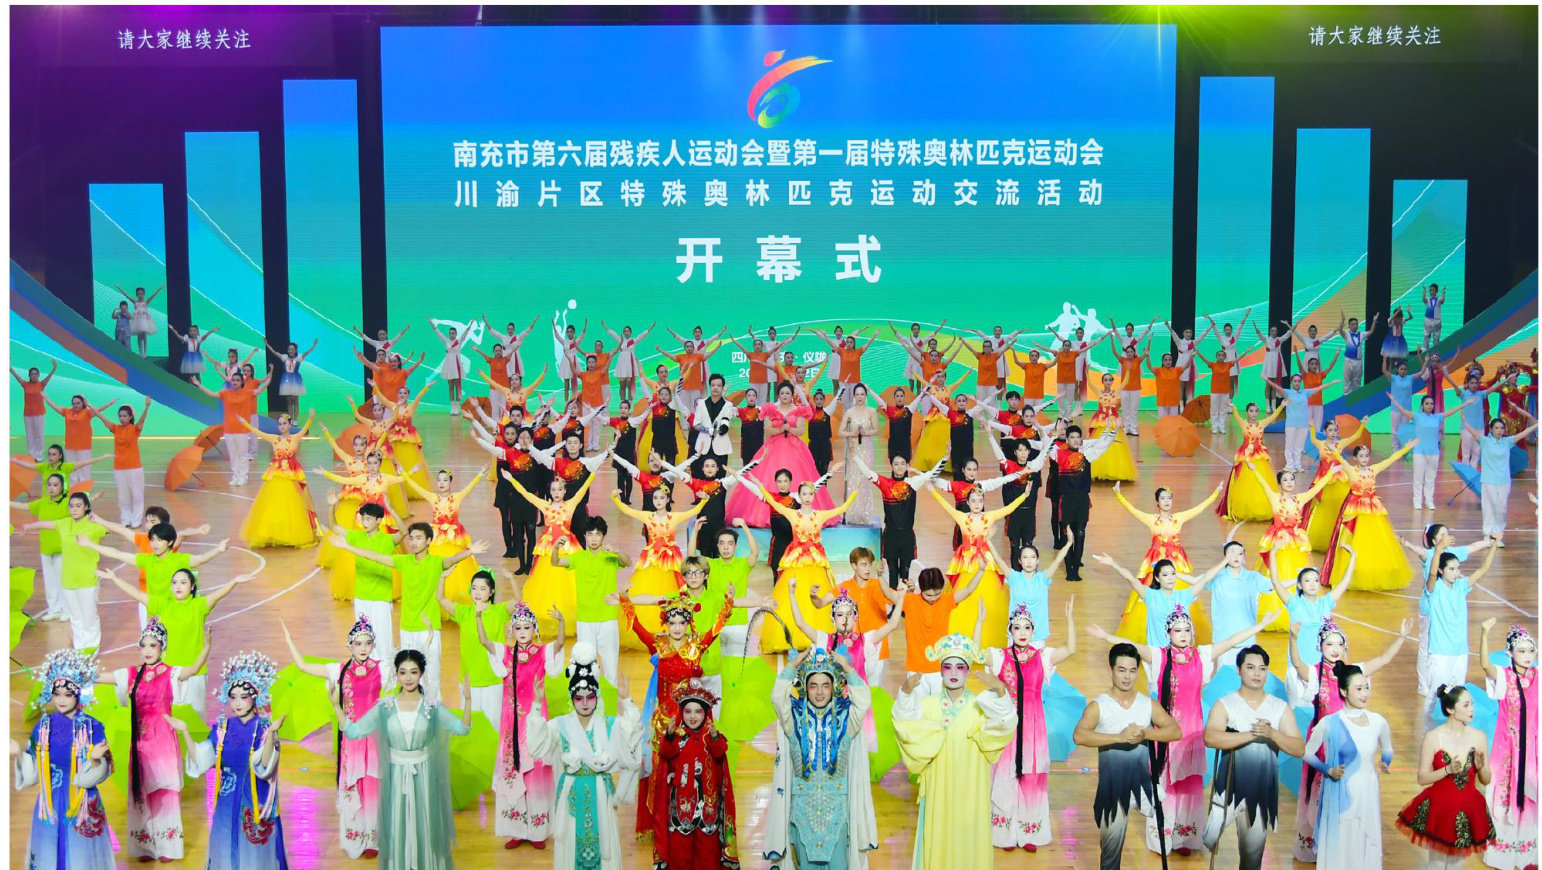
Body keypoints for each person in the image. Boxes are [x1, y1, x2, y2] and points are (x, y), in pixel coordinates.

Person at [1089, 604, 1280, 856]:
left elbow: (1232, 641)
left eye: (1186, 630)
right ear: (1168, 633)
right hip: (1167, 731)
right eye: (1177, 630)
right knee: (1165, 784)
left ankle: (1185, 838)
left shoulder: (1201, 655)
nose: (1182, 634)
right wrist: (1106, 637)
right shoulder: (1160, 656)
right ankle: (1162, 838)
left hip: (1192, 732)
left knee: (1189, 785)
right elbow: (1133, 646)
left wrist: (1260, 625)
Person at [335, 650, 473, 870]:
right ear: (397, 675)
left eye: (413, 672)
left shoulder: (431, 707)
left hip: (425, 775)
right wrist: (336, 706)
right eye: (403, 672)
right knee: (398, 825)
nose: (408, 677)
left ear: (421, 674)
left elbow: (462, 729)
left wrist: (468, 700)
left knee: (424, 824)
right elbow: (354, 732)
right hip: (396, 777)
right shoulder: (385, 707)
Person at [1288, 616, 1410, 862]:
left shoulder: (1355, 673)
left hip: (1351, 743)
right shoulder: (1315, 673)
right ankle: (1320, 846)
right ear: (1320, 647)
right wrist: (1293, 639)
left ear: (1345, 647)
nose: (1335, 649)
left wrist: (1402, 637)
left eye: (1339, 644)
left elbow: (1383, 660)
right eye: (1329, 644)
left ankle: (1345, 846)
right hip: (1323, 745)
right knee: (1319, 796)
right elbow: (1297, 664)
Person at [894, 633, 1016, 870]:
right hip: (938, 790)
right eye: (947, 666)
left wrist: (1001, 692)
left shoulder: (981, 707)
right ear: (940, 671)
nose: (953, 672)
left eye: (960, 667)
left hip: (971, 792)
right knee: (938, 842)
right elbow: (906, 726)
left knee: (967, 845)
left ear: (968, 672)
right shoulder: (928, 706)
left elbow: (1006, 725)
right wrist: (905, 694)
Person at [618, 590, 734, 840]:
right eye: (672, 622)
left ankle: (690, 817)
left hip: (692, 722)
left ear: (688, 623)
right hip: (663, 723)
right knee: (661, 775)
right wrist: (626, 602)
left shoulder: (696, 646)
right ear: (666, 623)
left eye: (682, 622)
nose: (677, 627)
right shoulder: (658, 645)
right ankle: (660, 821)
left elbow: (715, 630)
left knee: (690, 774)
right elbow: (637, 628)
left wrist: (727, 605)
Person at [329, 523, 488, 703]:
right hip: (407, 628)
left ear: (428, 540)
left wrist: (470, 551)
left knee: (431, 676)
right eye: (411, 538)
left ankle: (434, 710)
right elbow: (375, 556)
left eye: (418, 538)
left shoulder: (436, 563)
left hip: (429, 629)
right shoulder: (404, 561)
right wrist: (347, 547)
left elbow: (452, 559)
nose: (413, 542)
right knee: (408, 676)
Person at [278, 617, 390, 859]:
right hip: (351, 738)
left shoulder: (383, 668)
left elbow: (408, 670)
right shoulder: (339, 670)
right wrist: (288, 640)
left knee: (372, 787)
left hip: (374, 737)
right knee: (353, 787)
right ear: (350, 645)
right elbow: (303, 666)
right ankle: (356, 836)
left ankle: (374, 838)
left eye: (367, 643)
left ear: (373, 645)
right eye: (358, 643)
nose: (363, 648)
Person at [103, 617, 210, 862]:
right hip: (140, 742)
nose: (148, 650)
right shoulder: (132, 673)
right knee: (141, 791)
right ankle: (145, 846)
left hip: (162, 740)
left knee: (164, 791)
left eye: (153, 645)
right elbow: (106, 677)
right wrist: (79, 674)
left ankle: (168, 846)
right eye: (144, 645)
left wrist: (206, 648)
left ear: (162, 647)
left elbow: (192, 670)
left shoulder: (171, 674)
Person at [527, 649, 644, 870]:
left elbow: (633, 736)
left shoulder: (608, 725)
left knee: (603, 849)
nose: (585, 703)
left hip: (600, 796)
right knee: (571, 845)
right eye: (578, 698)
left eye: (590, 697)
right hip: (572, 796)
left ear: (596, 696)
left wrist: (626, 700)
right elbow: (536, 747)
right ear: (572, 698)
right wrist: (537, 704)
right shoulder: (561, 725)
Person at [171, 650, 288, 869]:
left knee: (254, 854)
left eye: (243, 697)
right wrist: (185, 732)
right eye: (233, 697)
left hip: (256, 801)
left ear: (255, 696)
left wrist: (272, 733)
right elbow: (202, 759)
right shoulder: (222, 728)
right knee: (224, 849)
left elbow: (265, 766)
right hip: (226, 801)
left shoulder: (263, 727)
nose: (237, 703)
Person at [764, 646, 878, 869]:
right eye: (813, 685)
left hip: (838, 815)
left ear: (834, 687)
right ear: (804, 687)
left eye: (825, 685)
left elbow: (864, 700)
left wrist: (847, 668)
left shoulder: (846, 719)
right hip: (802, 814)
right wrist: (793, 666)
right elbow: (777, 697)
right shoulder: (794, 718)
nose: (819, 692)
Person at [1073, 641, 1183, 870]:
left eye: (1132, 671)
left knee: (1164, 830)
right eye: (1122, 670)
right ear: (1111, 670)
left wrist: (1146, 733)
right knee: (1110, 855)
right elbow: (1079, 735)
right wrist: (1118, 737)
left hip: (1144, 786)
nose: (1127, 677)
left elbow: (1175, 731)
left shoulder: (1147, 704)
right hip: (1113, 788)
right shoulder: (1099, 706)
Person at [96, 562, 250, 719]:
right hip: (168, 674)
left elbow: (217, 595)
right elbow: (136, 593)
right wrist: (114, 578)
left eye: (183, 582)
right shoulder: (163, 605)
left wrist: (234, 581)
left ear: (192, 587)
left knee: (194, 720)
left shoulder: (199, 606)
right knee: (169, 719)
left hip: (195, 673)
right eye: (174, 582)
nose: (178, 586)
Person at [1201, 645, 1305, 870]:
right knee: (1209, 839)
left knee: (1251, 856)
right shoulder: (1225, 704)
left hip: (1260, 794)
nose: (1257, 673)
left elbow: (1298, 748)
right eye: (1250, 667)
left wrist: (1272, 733)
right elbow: (1210, 737)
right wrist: (1251, 735)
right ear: (1239, 670)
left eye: (1262, 668)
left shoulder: (1279, 708)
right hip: (1227, 790)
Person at [987, 601, 1079, 852]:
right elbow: (975, 654)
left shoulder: (1043, 657)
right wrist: (979, 622)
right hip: (1007, 724)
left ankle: (1029, 832)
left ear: (1033, 631)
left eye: (1027, 627)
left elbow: (1071, 649)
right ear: (1010, 631)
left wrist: (1070, 619)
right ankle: (1004, 833)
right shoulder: (1000, 657)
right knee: (1005, 775)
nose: (1022, 632)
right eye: (1017, 627)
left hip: (1033, 727)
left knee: (1031, 777)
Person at [12, 648, 116, 869]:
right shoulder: (43, 726)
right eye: (56, 693)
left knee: (80, 858)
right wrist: (19, 754)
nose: (60, 700)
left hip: (82, 803)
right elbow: (33, 771)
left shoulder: (92, 726)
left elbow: (105, 770)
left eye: (67, 694)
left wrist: (96, 760)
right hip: (48, 804)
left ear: (78, 694)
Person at [736, 476, 858, 651]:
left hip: (815, 563)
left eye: (810, 494)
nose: (807, 497)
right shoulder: (793, 514)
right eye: (804, 494)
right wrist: (761, 486)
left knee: (814, 598)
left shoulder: (820, 515)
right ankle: (791, 636)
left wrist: (855, 492)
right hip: (796, 561)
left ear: (814, 495)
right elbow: (773, 502)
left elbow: (842, 508)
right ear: (799, 496)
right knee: (791, 596)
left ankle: (815, 638)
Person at [1301, 665, 1394, 870]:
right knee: (1341, 845)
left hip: (1367, 793)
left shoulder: (1378, 722)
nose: (1364, 693)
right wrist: (1328, 770)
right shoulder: (1329, 723)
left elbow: (1387, 748)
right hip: (1339, 798)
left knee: (1363, 844)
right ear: (1343, 691)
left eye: (1366, 688)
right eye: (1358, 689)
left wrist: (1385, 761)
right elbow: (1307, 752)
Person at [1396, 684, 1496, 868]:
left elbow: (1486, 780)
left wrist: (1481, 767)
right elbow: (1422, 778)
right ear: (1450, 709)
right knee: (1436, 864)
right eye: (1466, 705)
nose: (1472, 709)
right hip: (1440, 811)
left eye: (1472, 704)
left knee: (1456, 865)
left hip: (1467, 810)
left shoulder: (1479, 737)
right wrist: (1447, 770)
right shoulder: (1433, 737)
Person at [648, 679, 739, 868]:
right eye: (688, 711)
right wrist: (669, 735)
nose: (692, 716)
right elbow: (666, 752)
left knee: (707, 856)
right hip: (680, 810)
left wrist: (715, 737)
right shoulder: (677, 737)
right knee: (679, 856)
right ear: (681, 712)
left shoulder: (711, 737)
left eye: (698, 711)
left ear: (706, 713)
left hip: (708, 810)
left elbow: (719, 752)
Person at [928, 480, 1035, 639]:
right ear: (967, 502)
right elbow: (946, 506)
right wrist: (933, 491)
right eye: (973, 501)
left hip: (986, 561)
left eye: (980, 501)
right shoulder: (962, 517)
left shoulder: (989, 516)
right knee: (964, 597)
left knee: (987, 599)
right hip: (966, 563)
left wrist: (1024, 495)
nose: (977, 504)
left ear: (983, 502)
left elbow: (1008, 509)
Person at [1478, 620, 1539, 870]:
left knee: (1531, 799)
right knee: (1503, 798)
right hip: (1507, 751)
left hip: (1532, 751)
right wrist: (1484, 634)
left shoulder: (1538, 678)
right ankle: (1502, 854)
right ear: (1510, 653)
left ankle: (1527, 854)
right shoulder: (1504, 677)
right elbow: (1485, 665)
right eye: (1521, 651)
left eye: (1531, 651)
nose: (1527, 656)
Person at [1318, 441, 1418, 590]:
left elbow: (1391, 459)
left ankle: (1373, 573)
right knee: (1353, 541)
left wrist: (1406, 448)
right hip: (1355, 511)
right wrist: (1333, 449)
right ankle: (1351, 575)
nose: (1365, 459)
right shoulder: (1351, 470)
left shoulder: (1373, 469)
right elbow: (1339, 458)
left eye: (1366, 455)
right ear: (1355, 458)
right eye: (1361, 456)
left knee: (1375, 543)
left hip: (1372, 510)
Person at [504, 473, 596, 634]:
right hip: (549, 550)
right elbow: (526, 494)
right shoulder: (545, 505)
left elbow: (584, 487)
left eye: (560, 489)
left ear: (565, 491)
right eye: (553, 490)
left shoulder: (570, 504)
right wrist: (511, 479)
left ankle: (571, 616)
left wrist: (594, 471)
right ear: (550, 492)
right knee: (546, 586)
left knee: (570, 587)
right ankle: (548, 616)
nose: (556, 492)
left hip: (567, 549)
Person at [21, 492, 106, 650]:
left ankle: (92, 647)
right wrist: (28, 526)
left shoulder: (94, 525)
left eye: (78, 506)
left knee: (89, 617)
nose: (74, 509)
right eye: (71, 506)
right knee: (75, 617)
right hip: (68, 580)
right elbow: (45, 524)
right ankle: (80, 648)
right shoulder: (64, 524)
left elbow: (113, 529)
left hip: (87, 579)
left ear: (86, 507)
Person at [1421, 542, 1499, 714]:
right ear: (1441, 570)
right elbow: (1432, 574)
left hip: (1460, 652)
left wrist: (1493, 545)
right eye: (1451, 569)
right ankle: (1428, 728)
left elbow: (1483, 569)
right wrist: (1438, 550)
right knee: (1435, 695)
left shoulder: (1461, 586)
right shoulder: (1435, 588)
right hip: (1440, 653)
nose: (1456, 573)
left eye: (1458, 568)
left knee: (1457, 695)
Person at [551, 517, 630, 683]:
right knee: (586, 666)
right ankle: (589, 698)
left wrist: (617, 551)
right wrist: (556, 547)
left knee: (610, 667)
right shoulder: (578, 558)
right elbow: (556, 562)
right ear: (584, 536)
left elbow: (628, 562)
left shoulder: (610, 556)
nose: (594, 538)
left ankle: (610, 698)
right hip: (585, 619)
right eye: (590, 534)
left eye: (597, 534)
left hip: (607, 617)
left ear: (603, 536)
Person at [851, 452, 944, 588]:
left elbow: (932, 473)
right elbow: (867, 472)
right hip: (891, 537)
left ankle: (903, 601)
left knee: (905, 575)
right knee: (893, 574)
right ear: (891, 467)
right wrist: (855, 456)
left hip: (907, 537)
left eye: (902, 464)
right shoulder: (885, 483)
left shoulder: (913, 483)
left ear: (907, 466)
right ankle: (894, 601)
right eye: (896, 464)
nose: (899, 467)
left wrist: (945, 457)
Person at [240, 411, 320, 548]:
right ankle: (273, 533)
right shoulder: (274, 438)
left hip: (290, 476)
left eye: (284, 424)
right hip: (276, 475)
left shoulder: (295, 438)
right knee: (274, 506)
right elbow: (258, 433)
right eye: (280, 424)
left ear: (289, 425)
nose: (282, 426)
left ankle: (290, 534)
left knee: (291, 506)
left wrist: (311, 417)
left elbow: (305, 429)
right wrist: (245, 423)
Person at [1047, 424, 1117, 581]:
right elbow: (1046, 446)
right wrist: (1052, 433)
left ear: (1081, 439)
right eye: (1072, 437)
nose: (1075, 440)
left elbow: (1103, 446)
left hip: (1082, 501)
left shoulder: (1087, 455)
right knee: (1067, 537)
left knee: (1080, 535)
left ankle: (1076, 568)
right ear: (1067, 439)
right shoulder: (1059, 454)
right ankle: (1069, 569)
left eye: (1078, 437)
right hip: (1066, 501)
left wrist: (1113, 430)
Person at [1389, 392, 1474, 511]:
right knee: (1418, 478)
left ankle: (1429, 500)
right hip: (1419, 452)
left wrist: (1465, 404)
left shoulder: (1437, 417)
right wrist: (1394, 400)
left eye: (1431, 404)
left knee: (1430, 478)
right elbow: (1403, 410)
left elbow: (1452, 411)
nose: (1429, 405)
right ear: (1422, 405)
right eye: (1427, 403)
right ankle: (1417, 501)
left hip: (1434, 453)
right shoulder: (1417, 417)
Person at [1466, 416, 1540, 547]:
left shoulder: (1507, 442)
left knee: (1501, 509)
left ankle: (1498, 536)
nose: (1499, 430)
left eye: (1501, 428)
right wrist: (1464, 421)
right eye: (1496, 428)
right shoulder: (1485, 441)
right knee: (1488, 508)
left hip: (1504, 481)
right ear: (1491, 429)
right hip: (1488, 481)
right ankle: (1487, 535)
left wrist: (1536, 425)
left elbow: (1524, 433)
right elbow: (1473, 432)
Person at [1304, 417, 1368, 552]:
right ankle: (1324, 538)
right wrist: (1312, 427)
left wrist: (1362, 425)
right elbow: (1313, 439)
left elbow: (1355, 436)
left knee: (1339, 507)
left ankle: (1339, 538)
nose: (1333, 433)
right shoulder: (1321, 444)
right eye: (1330, 430)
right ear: (1325, 432)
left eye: (1335, 430)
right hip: (1325, 480)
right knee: (1324, 508)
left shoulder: (1340, 444)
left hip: (1339, 479)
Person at [1215, 402, 1283, 523]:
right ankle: (1246, 508)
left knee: (1262, 482)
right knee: (1246, 483)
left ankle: (1262, 507)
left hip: (1260, 455)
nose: (1254, 413)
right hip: (1246, 457)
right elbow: (1236, 416)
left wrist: (1281, 406)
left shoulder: (1262, 424)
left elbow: (1272, 417)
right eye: (1251, 411)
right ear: (1247, 412)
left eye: (1256, 411)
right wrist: (1234, 407)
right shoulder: (1244, 424)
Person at [92, 397, 154, 527]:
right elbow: (101, 417)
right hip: (119, 468)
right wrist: (89, 406)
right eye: (120, 416)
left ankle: (136, 520)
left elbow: (142, 420)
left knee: (137, 495)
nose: (122, 418)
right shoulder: (115, 428)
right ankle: (126, 519)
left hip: (134, 468)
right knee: (123, 496)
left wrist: (147, 407)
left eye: (125, 416)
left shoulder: (135, 429)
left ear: (130, 417)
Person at [41, 393, 117, 486]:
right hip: (70, 446)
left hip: (84, 447)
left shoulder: (87, 413)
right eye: (73, 403)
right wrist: (46, 398)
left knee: (84, 469)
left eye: (78, 403)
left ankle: (84, 489)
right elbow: (54, 406)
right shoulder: (67, 411)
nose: (75, 405)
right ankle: (73, 488)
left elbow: (99, 410)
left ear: (82, 403)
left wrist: (109, 404)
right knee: (72, 469)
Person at [1267, 373, 1334, 472]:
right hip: (1291, 424)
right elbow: (1277, 387)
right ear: (1291, 382)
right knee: (1289, 446)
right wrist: (1268, 380)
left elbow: (1319, 388)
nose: (1297, 383)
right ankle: (1290, 465)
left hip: (1303, 425)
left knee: (1299, 446)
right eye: (1295, 381)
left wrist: (1331, 383)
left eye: (1298, 381)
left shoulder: (1305, 393)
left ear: (1301, 382)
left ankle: (1298, 465)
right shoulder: (1288, 393)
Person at [11, 362, 57, 460]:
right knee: (30, 435)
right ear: (29, 376)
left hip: (39, 414)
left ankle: (39, 455)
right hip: (27, 414)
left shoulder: (41, 384)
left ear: (39, 375)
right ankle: (31, 455)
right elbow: (16, 376)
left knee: (39, 435)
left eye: (36, 374)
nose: (34, 375)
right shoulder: (25, 384)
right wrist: (10, 368)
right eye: (32, 374)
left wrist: (54, 368)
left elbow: (49, 377)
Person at [267, 338, 319, 419]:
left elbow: (307, 352)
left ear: (295, 350)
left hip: (296, 381)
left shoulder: (299, 357)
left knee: (296, 401)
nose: (290, 351)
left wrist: (314, 346)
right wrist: (267, 344)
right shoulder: (284, 357)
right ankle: (290, 419)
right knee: (289, 402)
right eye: (289, 349)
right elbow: (274, 352)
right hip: (286, 381)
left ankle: (295, 420)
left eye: (292, 349)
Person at [430, 320, 468, 414]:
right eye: (450, 333)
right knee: (451, 387)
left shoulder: (459, 341)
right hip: (449, 367)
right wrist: (432, 324)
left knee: (457, 387)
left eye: (453, 333)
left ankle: (457, 408)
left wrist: (470, 325)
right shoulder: (446, 341)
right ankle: (452, 408)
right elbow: (439, 333)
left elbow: (465, 334)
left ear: (456, 334)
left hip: (457, 366)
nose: (451, 335)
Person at [117, 284, 164, 357]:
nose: (140, 295)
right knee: (139, 337)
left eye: (141, 294)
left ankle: (145, 352)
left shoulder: (146, 302)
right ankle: (140, 353)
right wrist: (119, 288)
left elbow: (153, 295)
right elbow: (127, 296)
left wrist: (159, 288)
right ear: (136, 294)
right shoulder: (135, 302)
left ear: (144, 294)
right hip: (137, 321)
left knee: (144, 336)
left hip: (145, 321)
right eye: (138, 294)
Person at [1341, 312, 1380, 391]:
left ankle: (1356, 396)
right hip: (1348, 360)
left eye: (1356, 324)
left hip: (1358, 361)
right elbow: (1340, 330)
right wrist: (1343, 320)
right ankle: (1346, 396)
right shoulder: (1347, 334)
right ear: (1349, 326)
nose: (1355, 326)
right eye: (1352, 324)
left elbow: (1371, 331)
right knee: (1347, 381)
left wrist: (1374, 321)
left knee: (1357, 381)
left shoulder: (1361, 334)